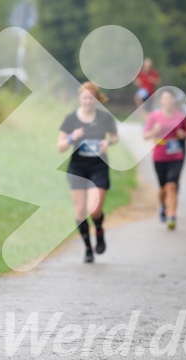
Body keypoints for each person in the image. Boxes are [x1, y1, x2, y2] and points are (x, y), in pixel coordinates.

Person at [57, 82, 118, 263]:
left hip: (99, 166)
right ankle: (88, 248)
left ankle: (99, 230)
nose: (88, 101)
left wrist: (109, 143)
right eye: (85, 97)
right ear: (79, 98)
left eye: (91, 98)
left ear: (96, 99)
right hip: (78, 168)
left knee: (94, 209)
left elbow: (114, 137)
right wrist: (71, 137)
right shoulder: (70, 119)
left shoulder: (105, 118)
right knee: (80, 211)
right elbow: (60, 146)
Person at [143, 88, 186, 230]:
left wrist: (183, 135)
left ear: (174, 101)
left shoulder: (180, 116)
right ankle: (164, 206)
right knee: (163, 189)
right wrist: (154, 131)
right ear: (161, 101)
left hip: (176, 155)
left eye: (170, 98)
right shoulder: (154, 116)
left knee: (172, 185)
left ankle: (172, 215)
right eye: (165, 98)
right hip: (159, 155)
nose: (168, 101)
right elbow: (145, 136)